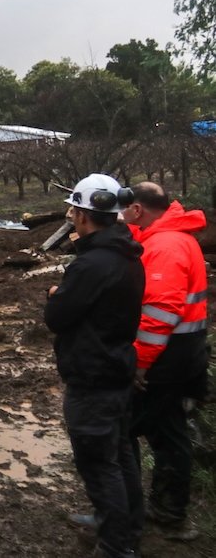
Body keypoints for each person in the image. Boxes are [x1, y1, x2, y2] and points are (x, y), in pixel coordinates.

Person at [44, 173, 145, 558]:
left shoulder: (92, 265)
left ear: (85, 216)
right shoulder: (127, 254)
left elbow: (58, 316)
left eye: (73, 210)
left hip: (93, 375)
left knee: (100, 465)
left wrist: (55, 295)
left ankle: (116, 545)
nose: (70, 216)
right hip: (117, 366)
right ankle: (127, 527)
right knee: (119, 457)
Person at [121, 181, 208, 541]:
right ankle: (170, 512)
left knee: (123, 430)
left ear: (138, 210)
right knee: (169, 432)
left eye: (127, 210)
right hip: (186, 351)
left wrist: (139, 364)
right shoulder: (179, 236)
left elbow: (159, 313)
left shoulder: (165, 246)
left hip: (166, 356)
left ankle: (126, 515)